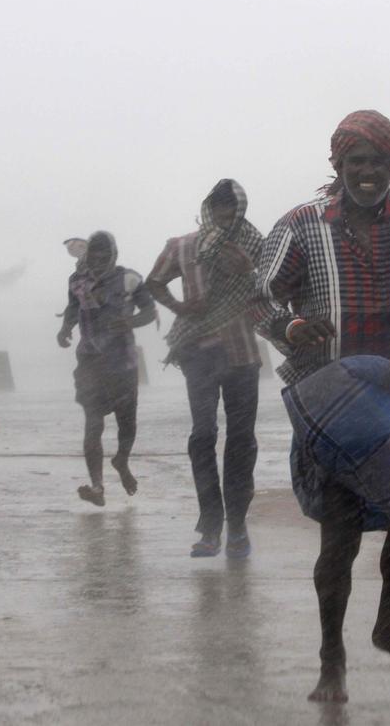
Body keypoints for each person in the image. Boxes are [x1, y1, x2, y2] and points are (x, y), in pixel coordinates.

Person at [253, 110, 390, 702]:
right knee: (338, 540)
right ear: (337, 166)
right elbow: (259, 298)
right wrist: (290, 327)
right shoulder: (302, 226)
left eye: (379, 163)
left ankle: (388, 625)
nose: (368, 173)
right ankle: (330, 658)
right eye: (356, 162)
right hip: (330, 401)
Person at [146, 179, 264, 558]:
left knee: (242, 441)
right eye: (219, 206)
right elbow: (155, 282)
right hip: (198, 354)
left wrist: (249, 271)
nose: (225, 213)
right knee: (202, 436)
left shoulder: (255, 245)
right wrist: (180, 309)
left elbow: (274, 289)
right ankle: (211, 525)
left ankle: (238, 526)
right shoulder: (184, 246)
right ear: (208, 208)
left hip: (242, 354)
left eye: (232, 207)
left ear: (241, 209)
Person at [57, 231, 156, 506]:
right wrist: (65, 328)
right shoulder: (78, 281)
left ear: (113, 256)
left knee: (127, 423)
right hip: (90, 362)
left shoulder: (130, 280)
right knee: (93, 424)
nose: (98, 262)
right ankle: (97, 486)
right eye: (94, 257)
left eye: (104, 257)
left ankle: (121, 461)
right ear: (87, 257)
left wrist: (130, 323)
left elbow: (150, 312)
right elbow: (72, 308)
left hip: (123, 363)